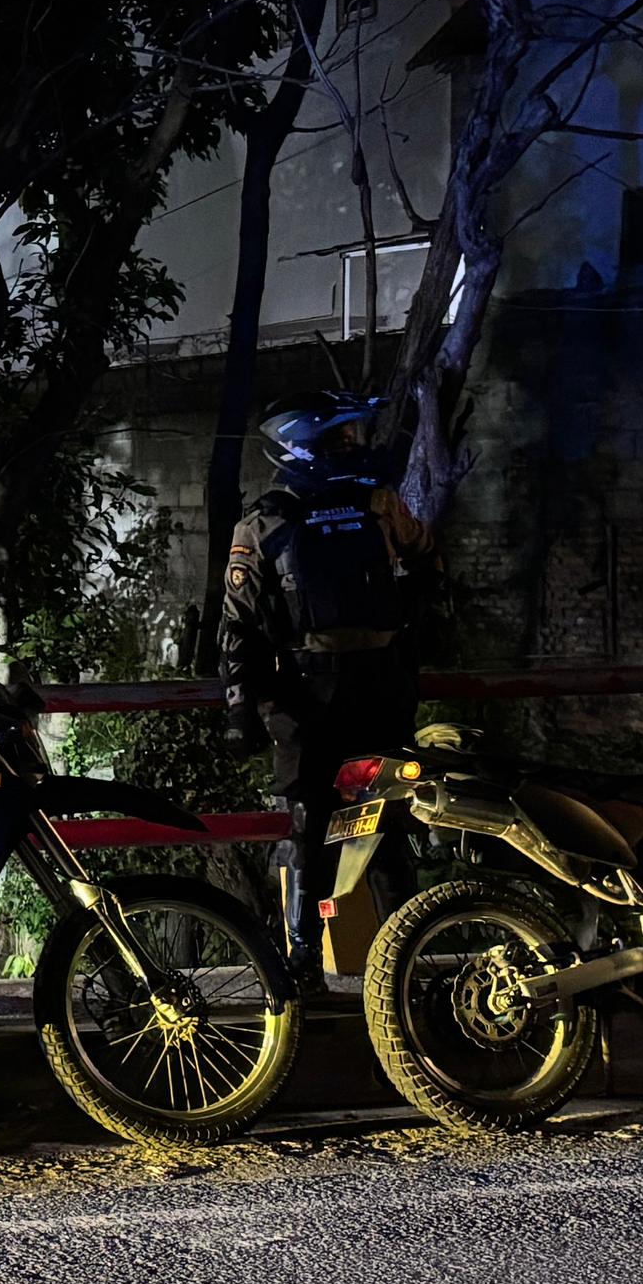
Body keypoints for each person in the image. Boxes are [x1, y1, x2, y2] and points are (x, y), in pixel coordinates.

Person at [217, 396, 427, 975]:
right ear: (302, 447)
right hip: (313, 693)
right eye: (339, 439)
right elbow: (239, 626)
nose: (353, 447)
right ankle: (302, 957)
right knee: (310, 826)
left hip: (372, 689)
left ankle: (403, 957)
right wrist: (239, 710)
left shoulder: (375, 504)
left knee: (387, 823)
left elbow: (424, 563)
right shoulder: (267, 522)